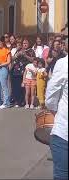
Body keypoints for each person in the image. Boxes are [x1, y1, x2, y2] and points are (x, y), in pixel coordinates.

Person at [45, 51, 68, 179]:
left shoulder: (63, 64)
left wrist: (55, 112)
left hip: (64, 131)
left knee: (62, 175)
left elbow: (51, 97)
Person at [10, 38, 35, 107]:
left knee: (25, 88)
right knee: (17, 86)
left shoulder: (31, 51)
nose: (25, 45)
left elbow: (33, 60)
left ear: (29, 44)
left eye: (26, 43)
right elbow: (12, 59)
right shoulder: (19, 50)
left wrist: (25, 55)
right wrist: (17, 54)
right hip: (17, 70)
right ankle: (17, 101)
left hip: (26, 71)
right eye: (23, 43)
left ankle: (24, 102)